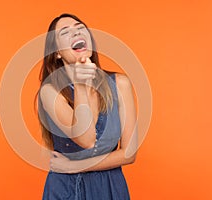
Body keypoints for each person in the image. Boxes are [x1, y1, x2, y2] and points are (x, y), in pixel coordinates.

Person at [37, 13, 138, 200]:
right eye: (65, 32)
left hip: (110, 187)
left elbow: (129, 154)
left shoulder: (120, 83)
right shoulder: (50, 92)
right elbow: (87, 139)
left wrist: (74, 166)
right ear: (57, 52)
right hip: (66, 189)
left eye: (80, 28)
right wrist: (81, 85)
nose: (76, 33)